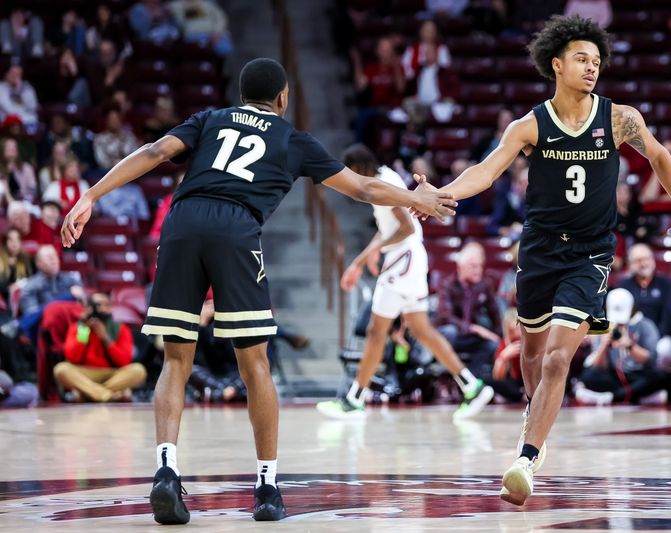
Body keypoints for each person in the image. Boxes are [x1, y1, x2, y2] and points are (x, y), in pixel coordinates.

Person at [60, 58, 456, 524]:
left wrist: (90, 195)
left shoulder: (209, 119)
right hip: (235, 227)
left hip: (182, 224)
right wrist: (416, 197)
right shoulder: (292, 139)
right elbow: (365, 189)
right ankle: (267, 486)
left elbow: (152, 153)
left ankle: (166, 470)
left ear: (240, 95)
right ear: (284, 99)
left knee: (174, 358)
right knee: (254, 363)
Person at [412, 15, 671, 505]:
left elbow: (660, 158)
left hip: (590, 253)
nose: (591, 68)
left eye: (596, 61)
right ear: (556, 64)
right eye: (581, 60)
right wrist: (441, 193)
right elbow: (485, 172)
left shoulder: (618, 118)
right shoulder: (529, 125)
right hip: (540, 249)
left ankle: (526, 457)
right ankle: (535, 414)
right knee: (530, 351)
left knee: (556, 357)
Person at [316, 145, 494, 421]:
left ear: (360, 168)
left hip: (404, 258)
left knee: (377, 329)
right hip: (410, 257)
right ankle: (471, 386)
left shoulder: (384, 183)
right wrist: (362, 259)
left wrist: (371, 255)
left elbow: (406, 227)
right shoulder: (382, 178)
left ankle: (354, 399)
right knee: (422, 331)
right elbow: (389, 227)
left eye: (351, 172)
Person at [574, 288, 664, 405]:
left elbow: (651, 359)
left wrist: (630, 346)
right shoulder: (604, 327)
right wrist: (604, 345)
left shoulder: (646, 325)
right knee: (589, 376)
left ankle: (612, 397)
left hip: (639, 374)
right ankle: (636, 397)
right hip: (614, 376)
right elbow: (599, 366)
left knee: (660, 377)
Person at [54, 292, 146, 402]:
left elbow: (124, 361)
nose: (102, 308)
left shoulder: (121, 329)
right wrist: (85, 331)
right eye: (97, 305)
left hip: (113, 373)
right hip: (85, 373)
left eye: (106, 305)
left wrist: (105, 337)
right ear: (88, 308)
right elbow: (73, 358)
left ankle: (88, 394)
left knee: (138, 370)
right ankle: (109, 395)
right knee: (61, 369)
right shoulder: (78, 327)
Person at [435, 242, 504, 382]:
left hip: (469, 336)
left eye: (480, 266)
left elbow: (495, 313)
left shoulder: (484, 285)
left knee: (492, 344)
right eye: (473, 266)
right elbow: (446, 317)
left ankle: (470, 380)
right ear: (460, 267)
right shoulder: (447, 284)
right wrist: (474, 328)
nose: (478, 270)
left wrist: (499, 337)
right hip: (450, 335)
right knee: (450, 331)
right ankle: (445, 374)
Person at [620, 243, 671, 368]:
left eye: (647, 259)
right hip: (631, 336)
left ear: (653, 260)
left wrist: (653, 337)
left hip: (660, 335)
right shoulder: (624, 285)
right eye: (638, 260)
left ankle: (660, 382)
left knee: (665, 348)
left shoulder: (665, 284)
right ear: (630, 264)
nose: (643, 263)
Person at [0, 228, 34, 303]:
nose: (14, 243)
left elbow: (34, 279)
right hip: (4, 301)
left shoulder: (28, 259)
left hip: (24, 298)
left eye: (17, 240)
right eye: (10, 240)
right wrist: (10, 288)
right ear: (5, 242)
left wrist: (19, 285)